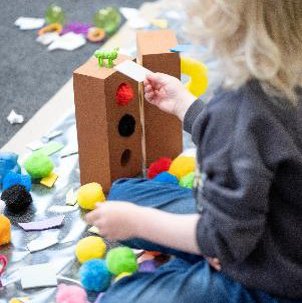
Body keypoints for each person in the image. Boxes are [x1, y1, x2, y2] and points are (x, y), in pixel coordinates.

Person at [86, 1, 302, 302]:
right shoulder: (282, 81)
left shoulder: (238, 109)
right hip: (277, 224)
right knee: (122, 195)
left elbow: (225, 240)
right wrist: (186, 106)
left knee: (119, 298)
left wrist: (136, 222)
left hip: (272, 280)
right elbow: (260, 141)